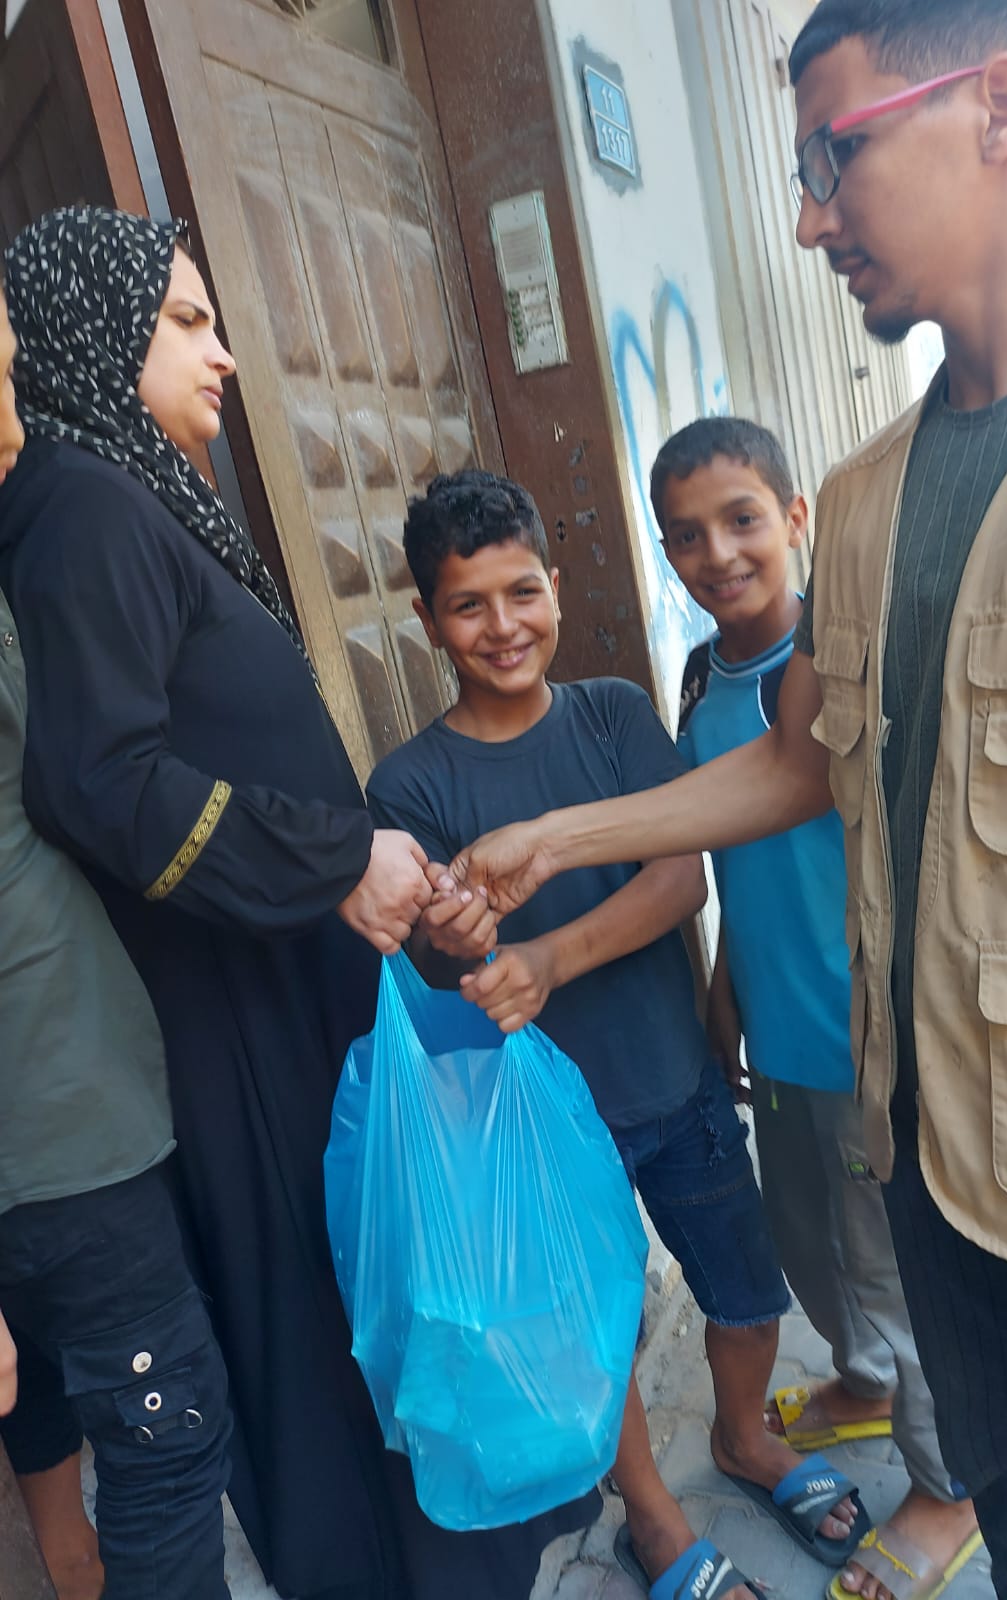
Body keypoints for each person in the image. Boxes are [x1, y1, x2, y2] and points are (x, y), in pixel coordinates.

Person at [446, 3, 1007, 1595]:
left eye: (832, 157)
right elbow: (808, 760)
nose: (805, 215)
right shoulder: (857, 500)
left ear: (1000, 106)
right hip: (923, 1144)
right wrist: (555, 836)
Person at [0, 205, 591, 1600]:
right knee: (325, 1357)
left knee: (374, 1325)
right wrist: (335, 864)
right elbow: (103, 782)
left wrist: (373, 876)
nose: (224, 359)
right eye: (185, 324)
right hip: (240, 1029)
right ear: (93, 331)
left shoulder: (136, 498)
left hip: (288, 992)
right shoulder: (84, 508)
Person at [366, 468, 873, 1600]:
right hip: (545, 1128)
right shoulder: (410, 781)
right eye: (468, 604)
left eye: (522, 591)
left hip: (672, 1081)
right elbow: (423, 962)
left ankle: (741, 1435)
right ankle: (650, 1516)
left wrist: (550, 956)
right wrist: (457, 934)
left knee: (748, 1295)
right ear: (427, 619)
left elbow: (678, 878)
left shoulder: (614, 714)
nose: (503, 626)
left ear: (555, 583)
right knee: (599, 1334)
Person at [655, 414, 980, 1600]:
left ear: (796, 519)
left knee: (900, 1265)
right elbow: (737, 861)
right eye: (685, 535)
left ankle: (950, 1484)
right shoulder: (699, 680)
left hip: (870, 1037)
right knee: (812, 1248)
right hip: (781, 1039)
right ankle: (865, 1380)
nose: (718, 552)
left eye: (742, 518)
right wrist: (725, 1000)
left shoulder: (837, 662)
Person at [0, 278, 234, 1600]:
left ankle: (72, 1574)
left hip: (73, 1087)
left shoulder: (30, 527)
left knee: (69, 1409)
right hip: (55, 1117)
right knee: (165, 1432)